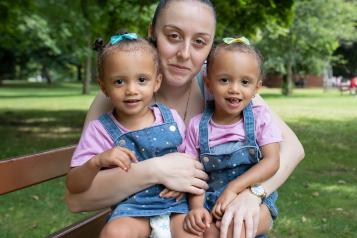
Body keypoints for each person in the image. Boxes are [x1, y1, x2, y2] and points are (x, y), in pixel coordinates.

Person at [65, 1, 305, 237]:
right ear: (152, 33)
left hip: (207, 215)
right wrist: (155, 170)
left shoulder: (221, 84)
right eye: (173, 36)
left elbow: (292, 148)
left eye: (200, 42)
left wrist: (254, 194)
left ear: (210, 46)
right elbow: (77, 199)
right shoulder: (120, 95)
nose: (185, 54)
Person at [66, 33, 199, 237]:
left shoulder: (170, 119)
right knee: (114, 232)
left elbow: (189, 160)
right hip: (132, 210)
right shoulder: (101, 129)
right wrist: (96, 162)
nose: (131, 90)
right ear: (104, 87)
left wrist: (184, 186)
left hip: (175, 205)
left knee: (193, 231)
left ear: (156, 82)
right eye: (119, 82)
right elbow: (74, 185)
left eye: (142, 80)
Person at [183, 37, 281, 238]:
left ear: (256, 88)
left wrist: (233, 188)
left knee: (234, 231)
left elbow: (272, 161)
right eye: (224, 80)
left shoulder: (260, 117)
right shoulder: (197, 125)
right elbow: (193, 175)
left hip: (254, 197)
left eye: (245, 82)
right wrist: (196, 208)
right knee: (208, 233)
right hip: (210, 202)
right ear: (208, 83)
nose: (234, 89)